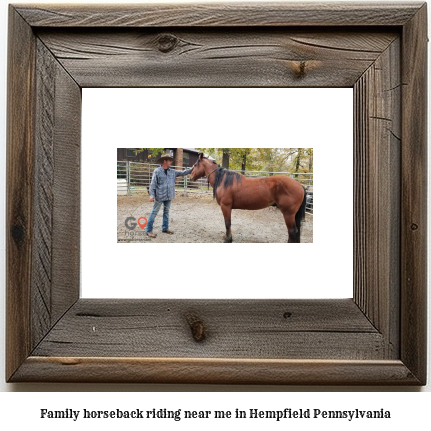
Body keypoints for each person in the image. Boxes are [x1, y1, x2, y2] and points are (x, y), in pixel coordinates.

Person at [146, 153, 193, 238]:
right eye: (169, 160)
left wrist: (193, 168)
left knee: (166, 212)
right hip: (159, 196)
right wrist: (151, 195)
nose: (171, 161)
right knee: (154, 212)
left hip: (169, 196)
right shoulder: (157, 171)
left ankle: (165, 228)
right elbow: (152, 184)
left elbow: (183, 172)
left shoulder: (172, 172)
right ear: (165, 161)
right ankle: (149, 230)